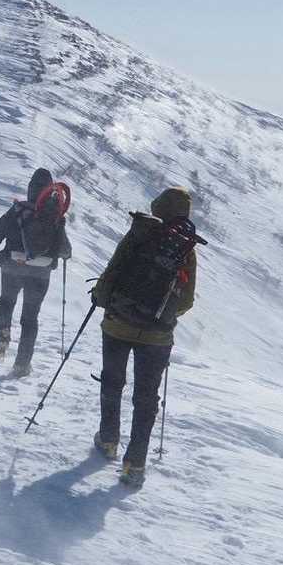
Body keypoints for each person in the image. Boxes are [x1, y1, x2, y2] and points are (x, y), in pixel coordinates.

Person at [91, 186, 199, 487]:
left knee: (112, 381)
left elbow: (112, 272)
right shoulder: (185, 248)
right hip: (157, 337)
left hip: (118, 325)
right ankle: (135, 463)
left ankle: (108, 439)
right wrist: (162, 316)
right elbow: (186, 301)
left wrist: (103, 299)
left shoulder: (140, 232)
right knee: (146, 397)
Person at [0, 167, 71, 376]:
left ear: (30, 188)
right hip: (40, 273)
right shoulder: (54, 215)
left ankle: (0, 345)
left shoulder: (17, 210)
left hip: (12, 268)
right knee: (30, 318)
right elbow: (65, 252)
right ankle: (22, 365)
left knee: (6, 303)